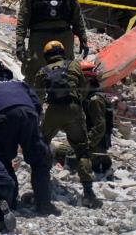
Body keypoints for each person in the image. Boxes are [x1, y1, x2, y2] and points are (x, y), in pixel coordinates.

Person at [0, 62, 57, 215]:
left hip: (4, 118)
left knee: (2, 159)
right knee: (39, 160)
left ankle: (10, 202)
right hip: (29, 114)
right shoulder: (21, 84)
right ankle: (43, 204)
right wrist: (32, 127)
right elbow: (37, 105)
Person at [35, 41, 101, 209]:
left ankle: (42, 183)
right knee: (81, 150)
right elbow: (81, 85)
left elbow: (38, 97)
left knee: (42, 143)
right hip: (73, 109)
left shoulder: (42, 72)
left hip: (53, 111)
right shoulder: (73, 65)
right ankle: (88, 193)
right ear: (62, 52)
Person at [16, 0, 89, 88]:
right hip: (39, 38)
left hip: (64, 36)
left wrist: (82, 37)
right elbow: (23, 18)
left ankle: (63, 106)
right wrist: (20, 43)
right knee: (34, 74)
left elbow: (76, 15)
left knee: (68, 72)